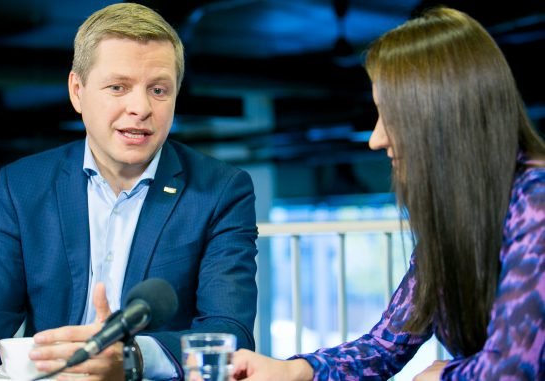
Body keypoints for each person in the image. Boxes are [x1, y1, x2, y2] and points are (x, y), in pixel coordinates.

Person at [0, 3, 258, 380]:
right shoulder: (24, 186)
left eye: (158, 90)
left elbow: (229, 335)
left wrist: (132, 359)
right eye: (118, 87)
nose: (140, 108)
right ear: (77, 91)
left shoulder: (220, 191)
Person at [230, 6, 544, 381]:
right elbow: (384, 347)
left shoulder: (536, 202)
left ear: (438, 116)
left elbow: (511, 369)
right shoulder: (457, 215)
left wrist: (442, 377)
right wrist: (292, 370)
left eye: (388, 115)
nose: (376, 139)